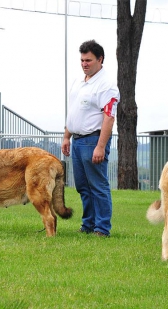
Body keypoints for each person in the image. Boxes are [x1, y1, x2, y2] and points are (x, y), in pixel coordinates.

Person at [61, 40, 120, 237]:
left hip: (92, 140)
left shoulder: (106, 85)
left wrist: (100, 147)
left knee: (98, 186)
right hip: (77, 140)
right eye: (82, 60)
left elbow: (109, 117)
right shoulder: (80, 82)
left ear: (100, 60)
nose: (84, 64)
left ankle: (102, 228)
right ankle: (88, 224)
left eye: (88, 60)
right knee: (83, 187)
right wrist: (67, 137)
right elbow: (74, 112)